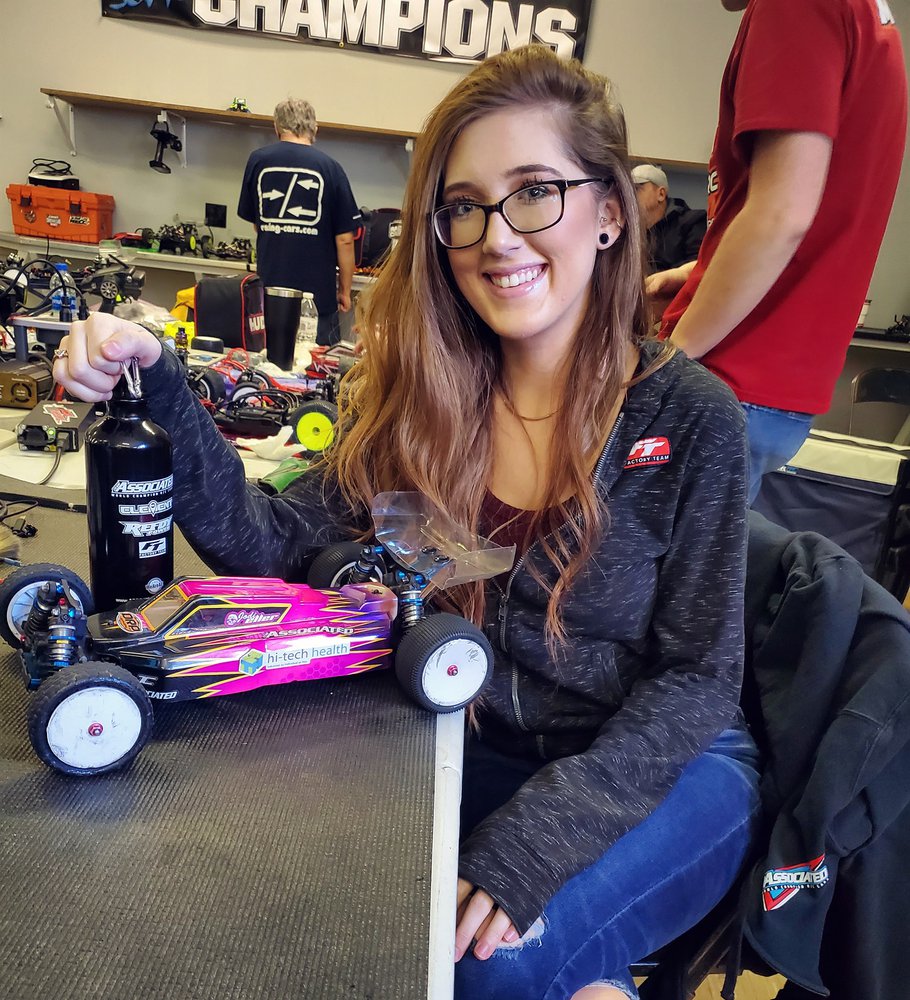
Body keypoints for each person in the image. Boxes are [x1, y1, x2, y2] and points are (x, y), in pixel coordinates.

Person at [55, 46, 760, 1000]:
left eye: (534, 192)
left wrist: (536, 844)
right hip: (469, 749)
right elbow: (271, 545)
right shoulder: (424, 401)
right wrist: (160, 384)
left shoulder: (691, 418)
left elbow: (698, 680)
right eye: (464, 205)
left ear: (607, 213)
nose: (496, 237)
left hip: (664, 771)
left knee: (475, 971)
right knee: (324, 928)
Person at [657, 0, 907, 503]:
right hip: (770, 384)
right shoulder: (863, 16)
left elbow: (781, 216)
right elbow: (813, 211)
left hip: (728, 376)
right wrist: (700, 272)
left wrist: (666, 362)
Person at [238, 97, 361, 347]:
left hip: (269, 295)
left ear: (276, 127)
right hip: (317, 299)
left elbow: (257, 224)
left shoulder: (257, 161)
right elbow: (345, 240)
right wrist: (345, 291)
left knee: (268, 363)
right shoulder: (331, 168)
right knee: (319, 365)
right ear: (315, 129)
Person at [631, 163, 706, 274]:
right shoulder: (629, 231)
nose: (630, 195)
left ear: (661, 194)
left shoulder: (693, 222)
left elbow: (699, 268)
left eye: (636, 189)